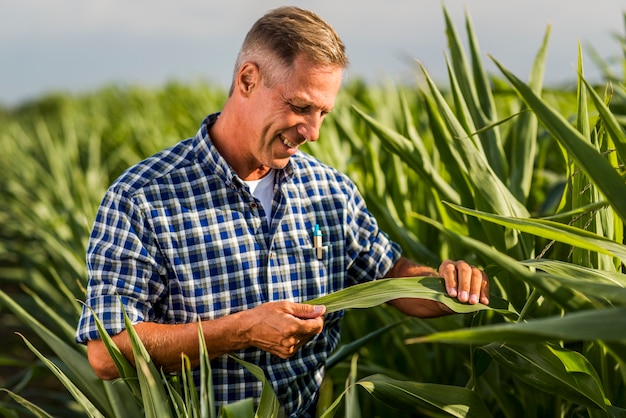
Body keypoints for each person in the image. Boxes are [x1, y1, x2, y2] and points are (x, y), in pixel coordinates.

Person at [75, 6, 489, 418]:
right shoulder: (142, 198)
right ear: (248, 79)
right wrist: (242, 331)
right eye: (300, 107)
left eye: (323, 113)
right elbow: (107, 353)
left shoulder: (330, 191)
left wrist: (446, 285)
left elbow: (392, 274)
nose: (313, 132)